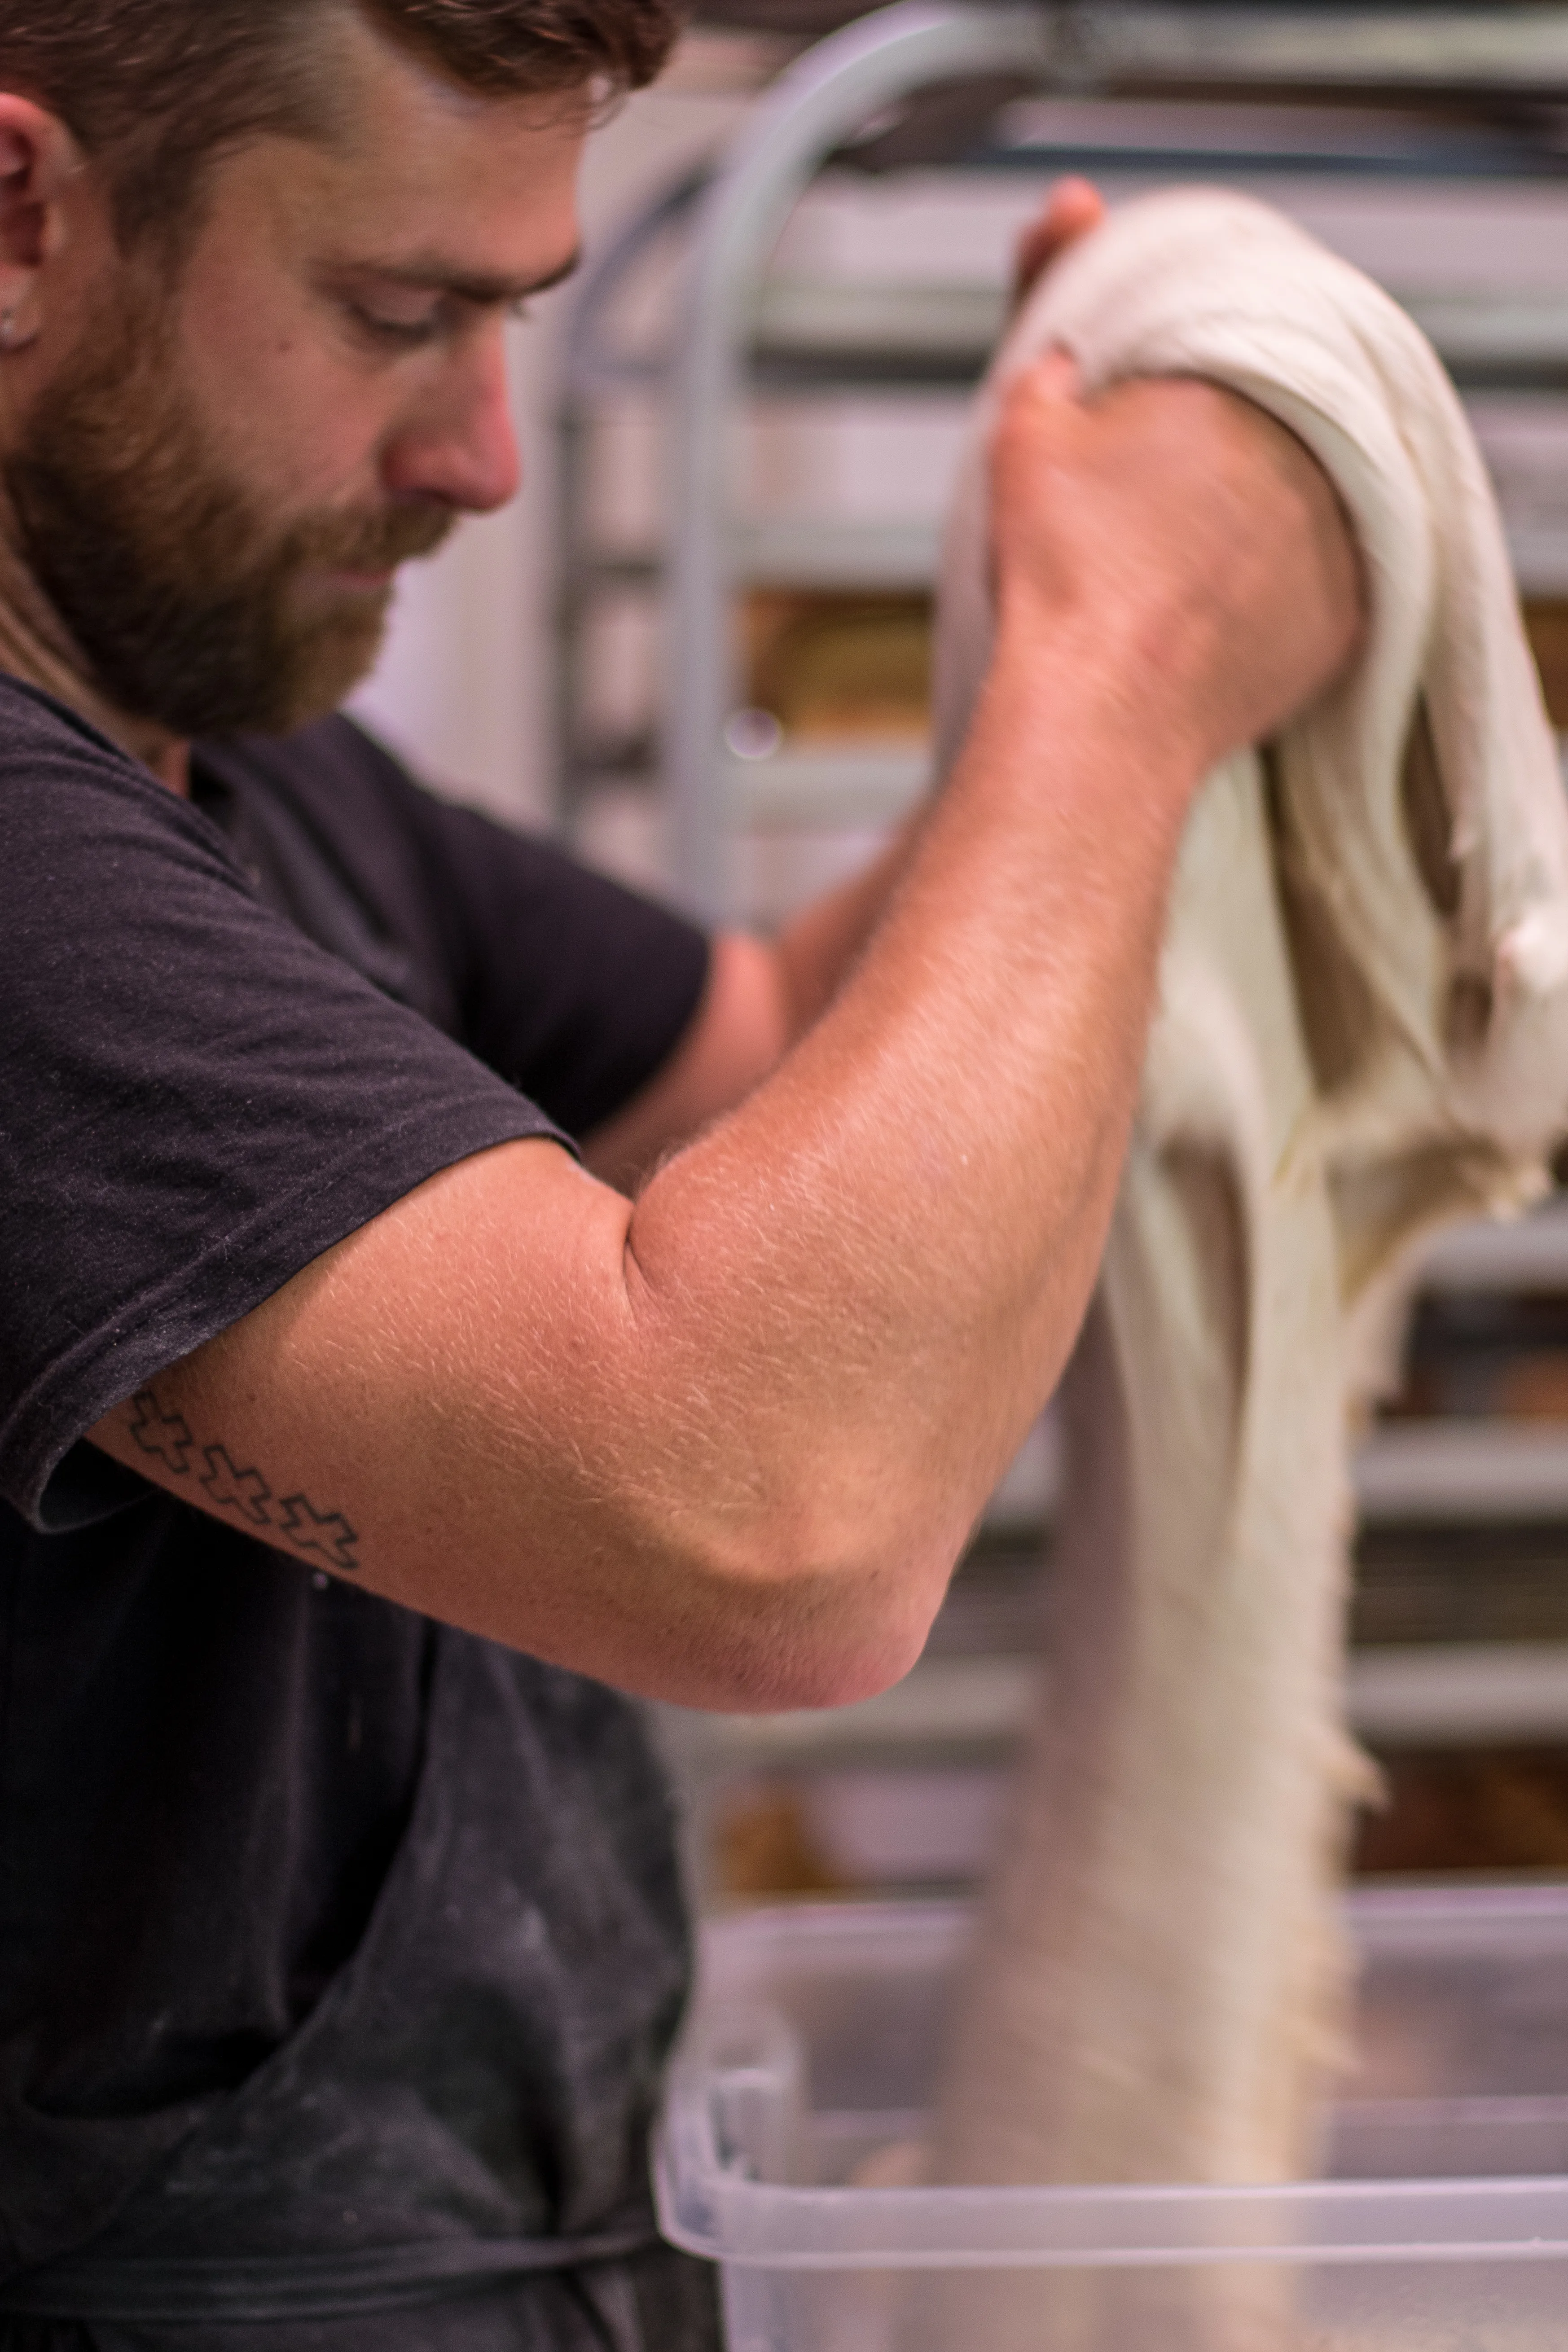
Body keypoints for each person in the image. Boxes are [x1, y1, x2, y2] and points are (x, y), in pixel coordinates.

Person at [0, 1, 1362, 2345]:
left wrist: (1039, 590)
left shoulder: (233, 776)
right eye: (402, 313)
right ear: (20, 219)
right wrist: (1130, 663)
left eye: (515, 317)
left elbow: (768, 1057)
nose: (487, 453)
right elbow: (766, 1521)